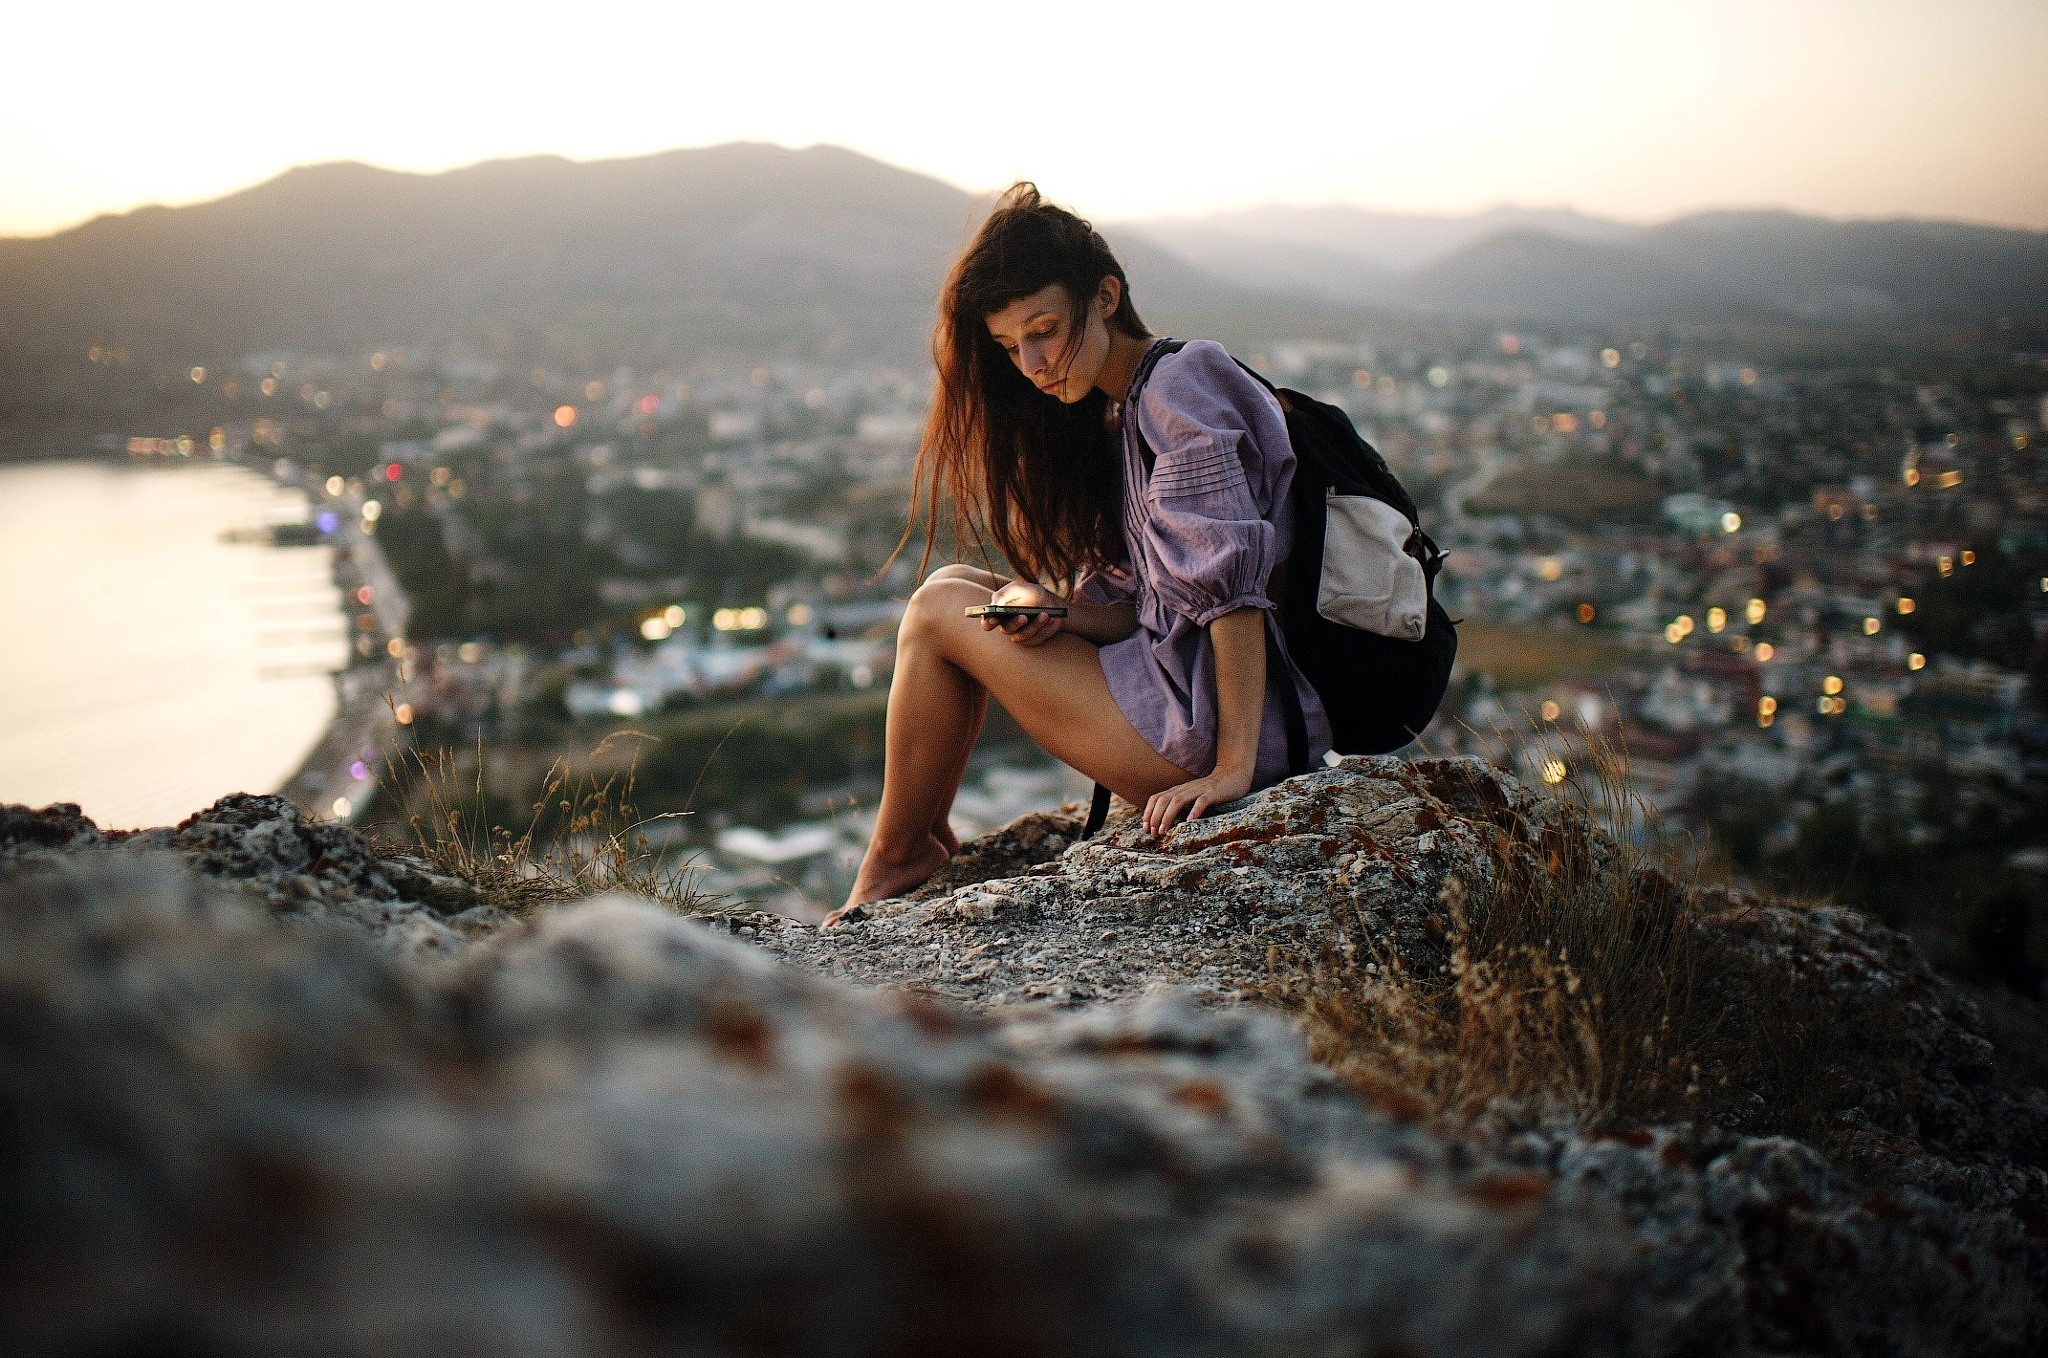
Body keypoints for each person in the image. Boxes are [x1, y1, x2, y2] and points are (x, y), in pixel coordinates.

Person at [823, 184, 1332, 927]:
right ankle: (916, 841)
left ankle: (900, 854)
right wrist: (1059, 613)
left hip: (1205, 731)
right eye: (1009, 346)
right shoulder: (1131, 407)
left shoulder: (1179, 388)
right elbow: (1158, 606)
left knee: (936, 610)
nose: (1030, 363)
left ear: (1105, 296)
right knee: (966, 587)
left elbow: (1233, 595)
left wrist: (1231, 770)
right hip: (1189, 701)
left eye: (1045, 330)